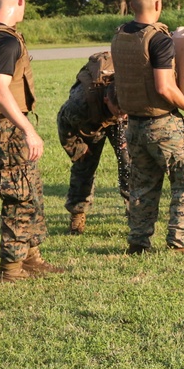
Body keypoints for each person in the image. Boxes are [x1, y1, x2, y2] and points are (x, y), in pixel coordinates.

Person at [0, 0, 64, 281]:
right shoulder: (4, 40)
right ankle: (11, 269)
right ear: (20, 0)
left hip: (1, 128)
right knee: (19, 198)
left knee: (31, 190)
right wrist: (28, 129)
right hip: (6, 131)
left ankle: (31, 257)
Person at [111, 0, 184, 254]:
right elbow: (164, 86)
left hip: (133, 125)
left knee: (143, 184)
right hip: (162, 124)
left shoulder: (119, 36)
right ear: (158, 5)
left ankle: (138, 242)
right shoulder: (158, 39)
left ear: (131, 6)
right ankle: (180, 242)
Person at [56, 52, 131, 234]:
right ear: (107, 99)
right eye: (118, 110)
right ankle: (77, 213)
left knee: (130, 163)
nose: (121, 115)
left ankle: (135, 213)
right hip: (92, 119)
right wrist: (77, 148)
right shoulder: (80, 103)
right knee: (84, 165)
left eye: (125, 111)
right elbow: (63, 122)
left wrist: (132, 138)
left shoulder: (133, 97)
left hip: (122, 124)